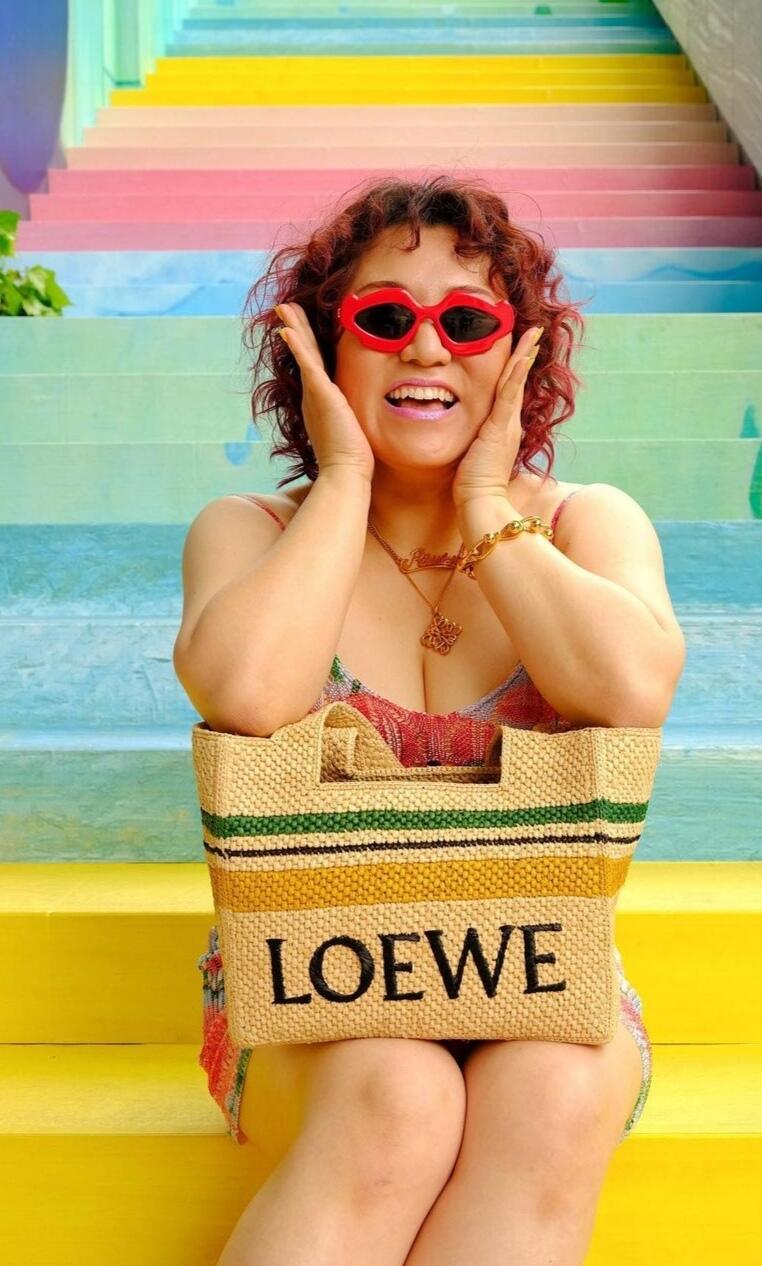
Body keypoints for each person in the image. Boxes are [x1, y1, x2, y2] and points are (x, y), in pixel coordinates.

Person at [174, 174, 686, 1266]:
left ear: (520, 353)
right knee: (397, 1093)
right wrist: (344, 477)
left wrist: (488, 507)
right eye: (383, 318)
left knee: (552, 1095)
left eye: (465, 322)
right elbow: (248, 694)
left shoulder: (587, 524)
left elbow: (631, 688)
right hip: (308, 974)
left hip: (535, 965)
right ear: (322, 345)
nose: (424, 348)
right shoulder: (248, 529)